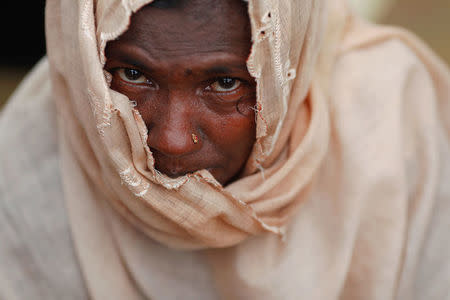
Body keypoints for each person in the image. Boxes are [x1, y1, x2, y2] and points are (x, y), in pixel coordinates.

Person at [0, 0, 449, 299]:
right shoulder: (37, 140)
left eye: (225, 83)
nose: (172, 140)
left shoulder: (395, 122)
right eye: (132, 75)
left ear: (284, 67)